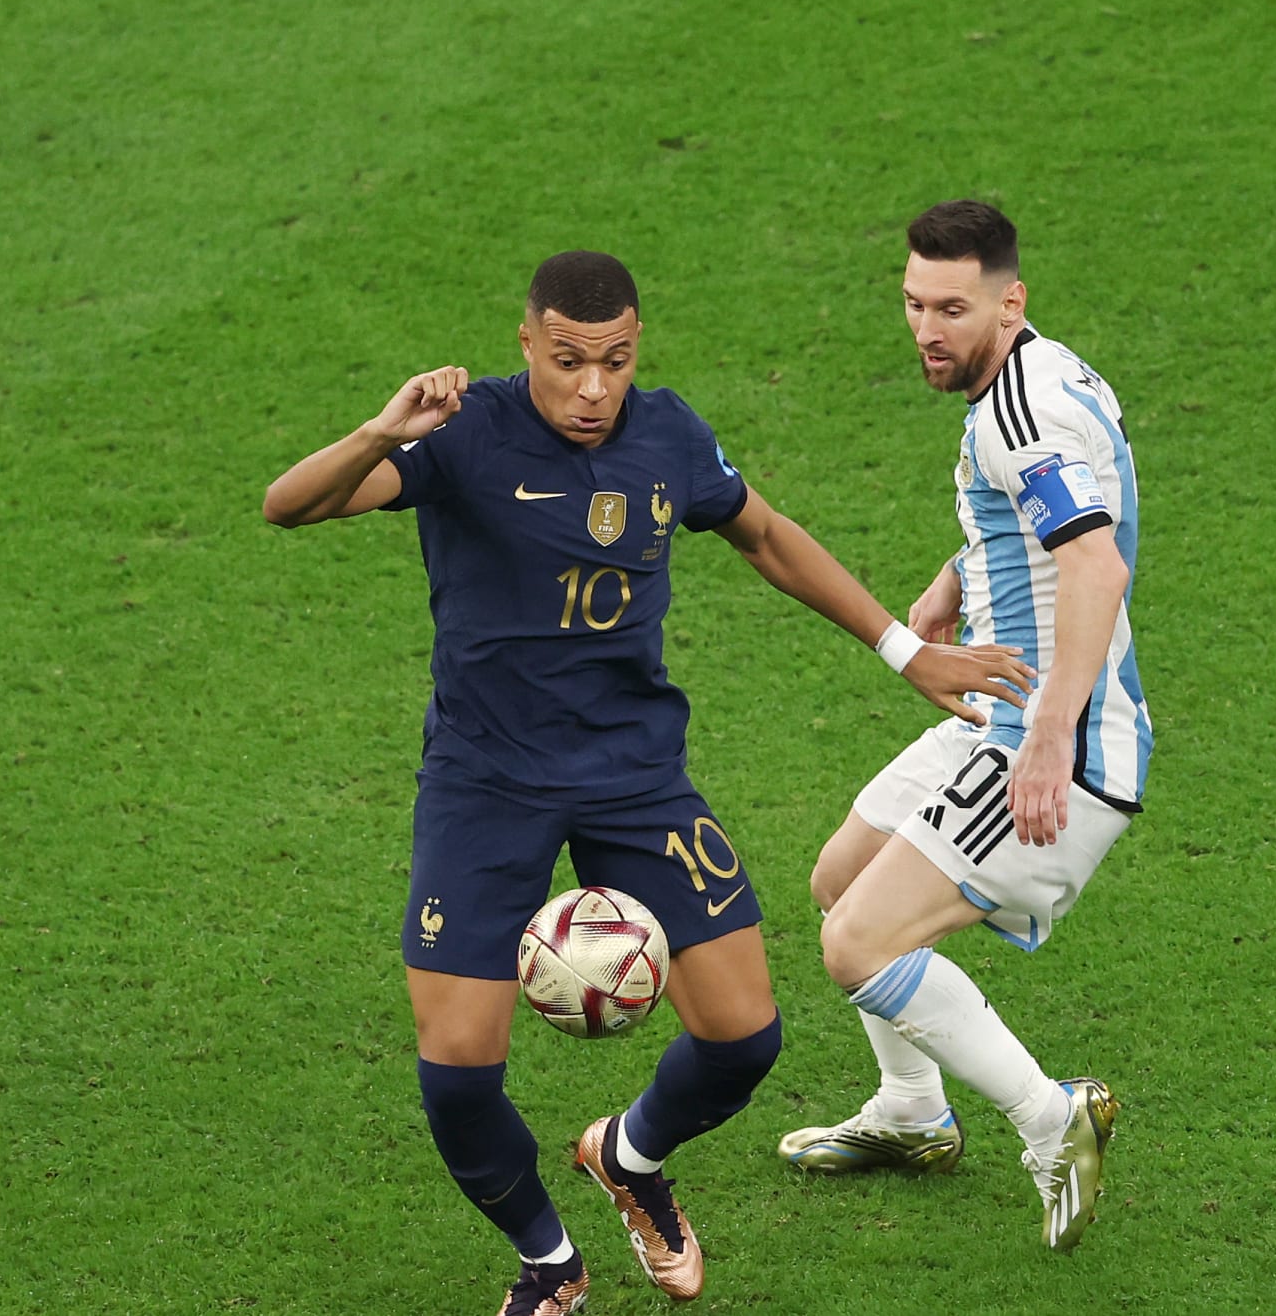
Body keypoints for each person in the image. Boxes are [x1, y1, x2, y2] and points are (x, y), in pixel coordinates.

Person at [261, 251, 1033, 1315]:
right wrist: (378, 434)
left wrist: (907, 651)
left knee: (744, 1036)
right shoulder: (467, 434)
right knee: (457, 1068)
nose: (592, 388)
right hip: (486, 783)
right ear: (527, 341)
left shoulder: (666, 433)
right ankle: (547, 1259)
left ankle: (626, 1156)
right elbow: (286, 505)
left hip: (634, 777)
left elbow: (761, 533)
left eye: (615, 362)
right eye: (569, 361)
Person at [774, 201, 1150, 1252]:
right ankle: (910, 1111)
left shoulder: (1018, 417)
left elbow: (1094, 561)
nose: (926, 329)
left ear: (1008, 300)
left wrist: (1045, 740)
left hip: (1052, 740)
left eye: (951, 307)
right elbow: (1048, 524)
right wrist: (953, 584)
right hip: (1004, 703)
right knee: (840, 880)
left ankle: (1051, 1117)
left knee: (855, 942)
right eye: (912, 304)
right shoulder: (1043, 375)